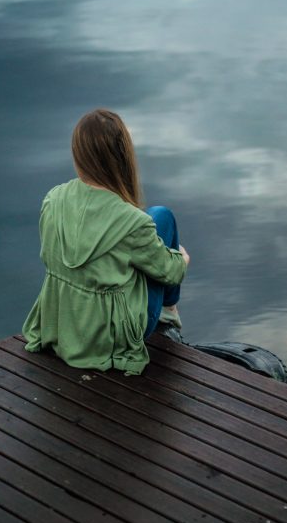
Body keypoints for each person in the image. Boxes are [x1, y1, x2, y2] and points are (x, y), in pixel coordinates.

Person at [22, 108, 190, 375]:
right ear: (122, 156)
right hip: (110, 338)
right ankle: (168, 313)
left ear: (78, 154)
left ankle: (165, 309)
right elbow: (172, 273)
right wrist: (181, 258)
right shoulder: (133, 222)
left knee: (153, 221)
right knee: (162, 216)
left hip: (64, 324)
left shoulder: (52, 199)